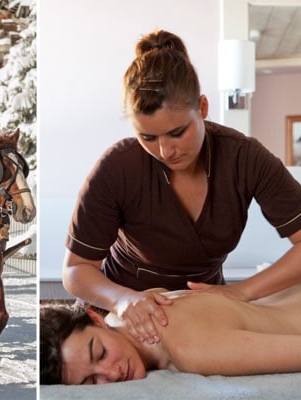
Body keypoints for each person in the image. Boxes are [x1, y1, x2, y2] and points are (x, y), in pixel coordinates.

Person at [62, 29, 301, 345]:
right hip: (115, 320)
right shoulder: (117, 166)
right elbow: (76, 270)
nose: (165, 151)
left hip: (199, 315)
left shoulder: (245, 157)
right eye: (147, 137)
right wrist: (122, 300)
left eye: (177, 132)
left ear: (202, 108)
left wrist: (241, 292)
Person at [40, 286, 301, 385]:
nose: (112, 373)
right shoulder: (130, 310)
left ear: (96, 318)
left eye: (101, 354)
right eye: (91, 383)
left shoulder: (193, 352)